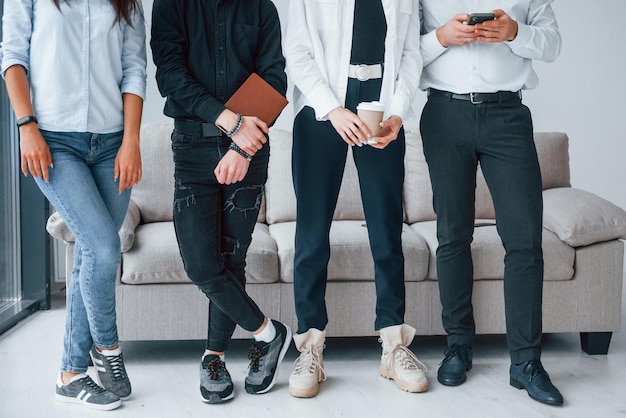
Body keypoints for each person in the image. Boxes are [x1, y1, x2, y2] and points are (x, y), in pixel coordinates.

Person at [1, 0, 146, 411]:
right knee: (103, 247)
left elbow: (135, 66)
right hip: (53, 141)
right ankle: (108, 348)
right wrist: (26, 126)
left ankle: (70, 373)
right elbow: (13, 55)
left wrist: (132, 140)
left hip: (112, 144)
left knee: (89, 255)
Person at [418, 1, 564, 406]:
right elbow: (402, 52)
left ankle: (526, 362)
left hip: (508, 116)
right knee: (452, 235)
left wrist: (515, 32)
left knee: (523, 240)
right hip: (444, 113)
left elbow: (552, 45)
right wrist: (441, 38)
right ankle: (458, 346)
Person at [150, 0, 291, 404]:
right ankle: (268, 333)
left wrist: (241, 149)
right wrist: (227, 120)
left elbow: (274, 78)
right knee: (201, 265)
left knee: (231, 260)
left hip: (250, 149)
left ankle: (214, 357)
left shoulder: (261, 8)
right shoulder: (171, 5)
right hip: (193, 147)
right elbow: (171, 75)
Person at [284, 0, 426, 398]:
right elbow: (296, 49)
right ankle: (310, 348)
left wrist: (398, 112)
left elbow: (411, 53)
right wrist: (332, 108)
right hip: (321, 104)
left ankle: (395, 346)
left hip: (380, 103)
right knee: (311, 235)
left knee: (386, 231)